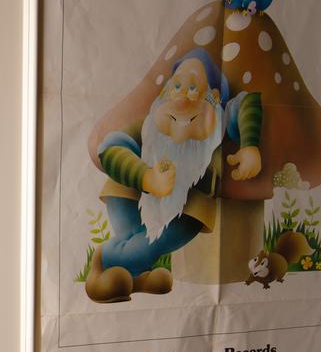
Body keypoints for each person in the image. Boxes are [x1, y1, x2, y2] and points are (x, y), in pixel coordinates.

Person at [86, 48, 264, 302]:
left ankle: (109, 264)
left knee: (147, 246)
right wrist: (146, 177)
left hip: (187, 210)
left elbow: (248, 102)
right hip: (132, 194)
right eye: (176, 85)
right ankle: (121, 271)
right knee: (133, 239)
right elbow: (111, 146)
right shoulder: (151, 126)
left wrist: (249, 145)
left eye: (193, 88)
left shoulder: (218, 123)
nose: (181, 97)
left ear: (213, 98)